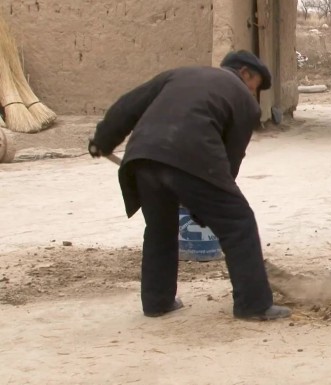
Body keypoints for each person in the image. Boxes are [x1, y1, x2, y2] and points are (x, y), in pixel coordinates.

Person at [88, 50, 291, 321]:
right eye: (256, 86)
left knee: (160, 228)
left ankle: (157, 301)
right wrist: (206, 207)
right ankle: (253, 304)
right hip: (193, 156)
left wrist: (102, 140)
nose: (254, 94)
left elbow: (129, 105)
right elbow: (231, 158)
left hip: (141, 158)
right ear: (245, 73)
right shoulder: (243, 100)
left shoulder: (178, 74)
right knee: (238, 222)